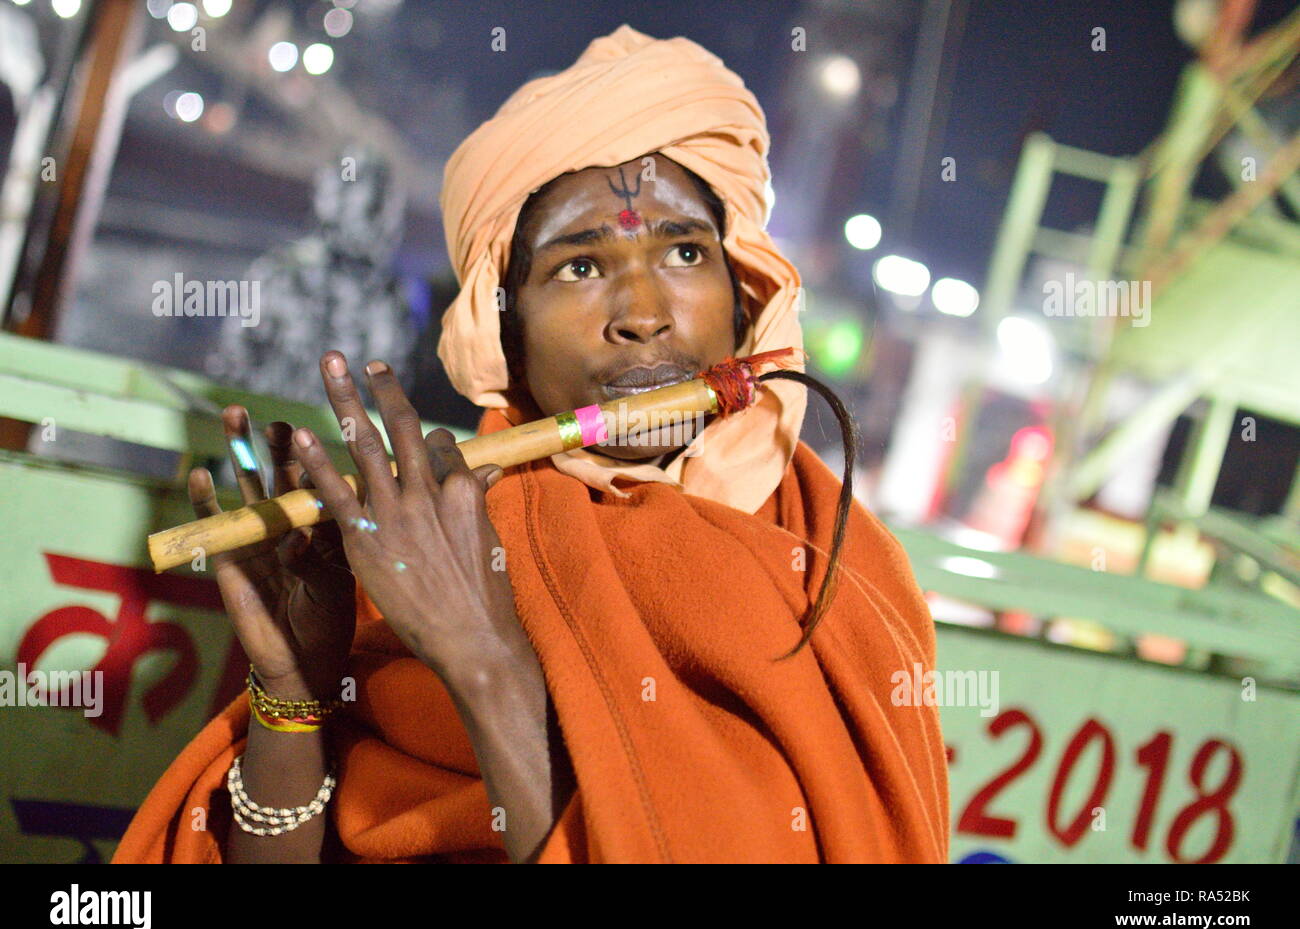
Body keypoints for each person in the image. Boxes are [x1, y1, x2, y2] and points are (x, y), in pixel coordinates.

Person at [112, 24, 949, 864]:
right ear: (504, 331)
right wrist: (292, 688)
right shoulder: (426, 531)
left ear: (745, 297)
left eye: (686, 251)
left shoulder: (840, 570)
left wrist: (481, 659)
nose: (643, 314)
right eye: (578, 268)